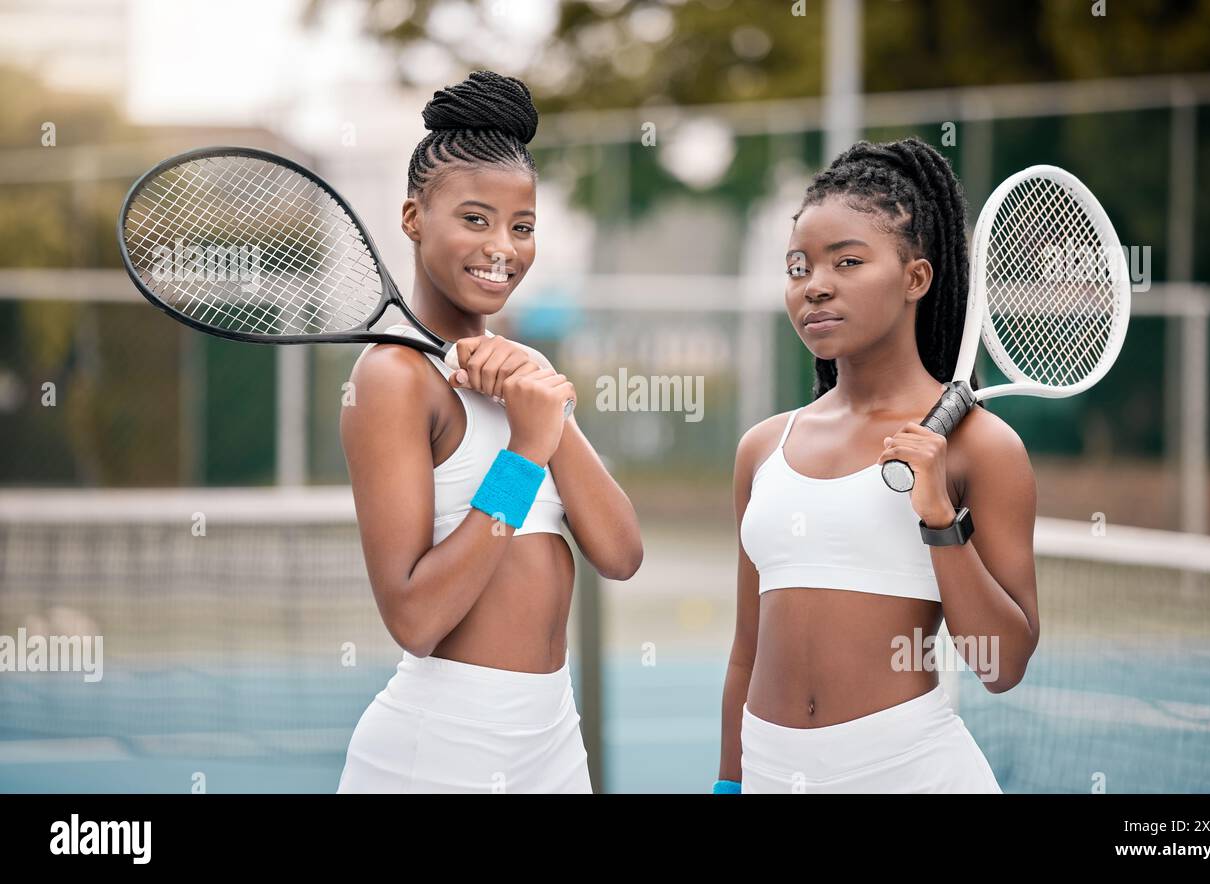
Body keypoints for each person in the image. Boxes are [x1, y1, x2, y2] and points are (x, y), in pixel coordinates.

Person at [336, 70, 642, 794]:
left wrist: (547, 416)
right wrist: (526, 452)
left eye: (523, 225)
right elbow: (415, 616)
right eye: (474, 219)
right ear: (413, 220)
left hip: (552, 744)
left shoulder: (526, 368)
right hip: (442, 750)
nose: (502, 246)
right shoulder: (391, 379)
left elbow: (622, 553)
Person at [716, 137, 1038, 794]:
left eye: (848, 261)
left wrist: (940, 521)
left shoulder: (982, 446)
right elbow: (747, 648)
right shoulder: (762, 449)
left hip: (908, 772)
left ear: (915, 278)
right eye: (798, 267)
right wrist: (728, 783)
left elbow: (1001, 664)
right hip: (773, 774)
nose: (816, 286)